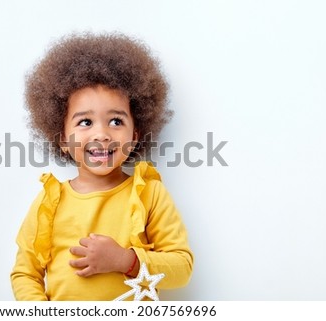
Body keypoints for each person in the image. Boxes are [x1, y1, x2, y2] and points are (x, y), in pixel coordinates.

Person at [10, 33, 193, 301]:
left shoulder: (149, 194)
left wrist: (125, 261)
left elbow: (182, 268)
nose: (102, 134)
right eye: (85, 122)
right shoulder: (50, 201)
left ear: (135, 134)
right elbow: (25, 274)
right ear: (62, 138)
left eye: (116, 121)